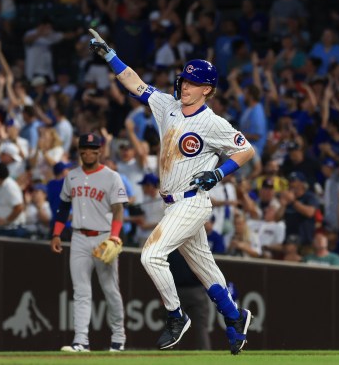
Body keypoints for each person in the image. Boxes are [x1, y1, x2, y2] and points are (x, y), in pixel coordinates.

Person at [89, 29, 254, 354]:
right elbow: (134, 83)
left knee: (151, 256)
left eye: (192, 83)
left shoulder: (213, 122)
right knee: (205, 269)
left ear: (207, 89)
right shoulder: (168, 105)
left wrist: (219, 172)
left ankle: (175, 316)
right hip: (172, 204)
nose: (185, 86)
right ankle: (235, 317)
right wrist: (110, 55)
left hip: (192, 202)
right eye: (184, 80)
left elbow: (245, 149)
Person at [51, 133, 129, 352]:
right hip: (78, 237)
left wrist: (114, 236)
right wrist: (56, 234)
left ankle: (118, 338)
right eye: (84, 149)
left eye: (93, 149)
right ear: (80, 152)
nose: (88, 152)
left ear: (100, 151)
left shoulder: (111, 177)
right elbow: (63, 207)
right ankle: (81, 341)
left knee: (110, 290)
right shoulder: (72, 176)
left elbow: (118, 210)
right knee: (81, 291)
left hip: (103, 237)